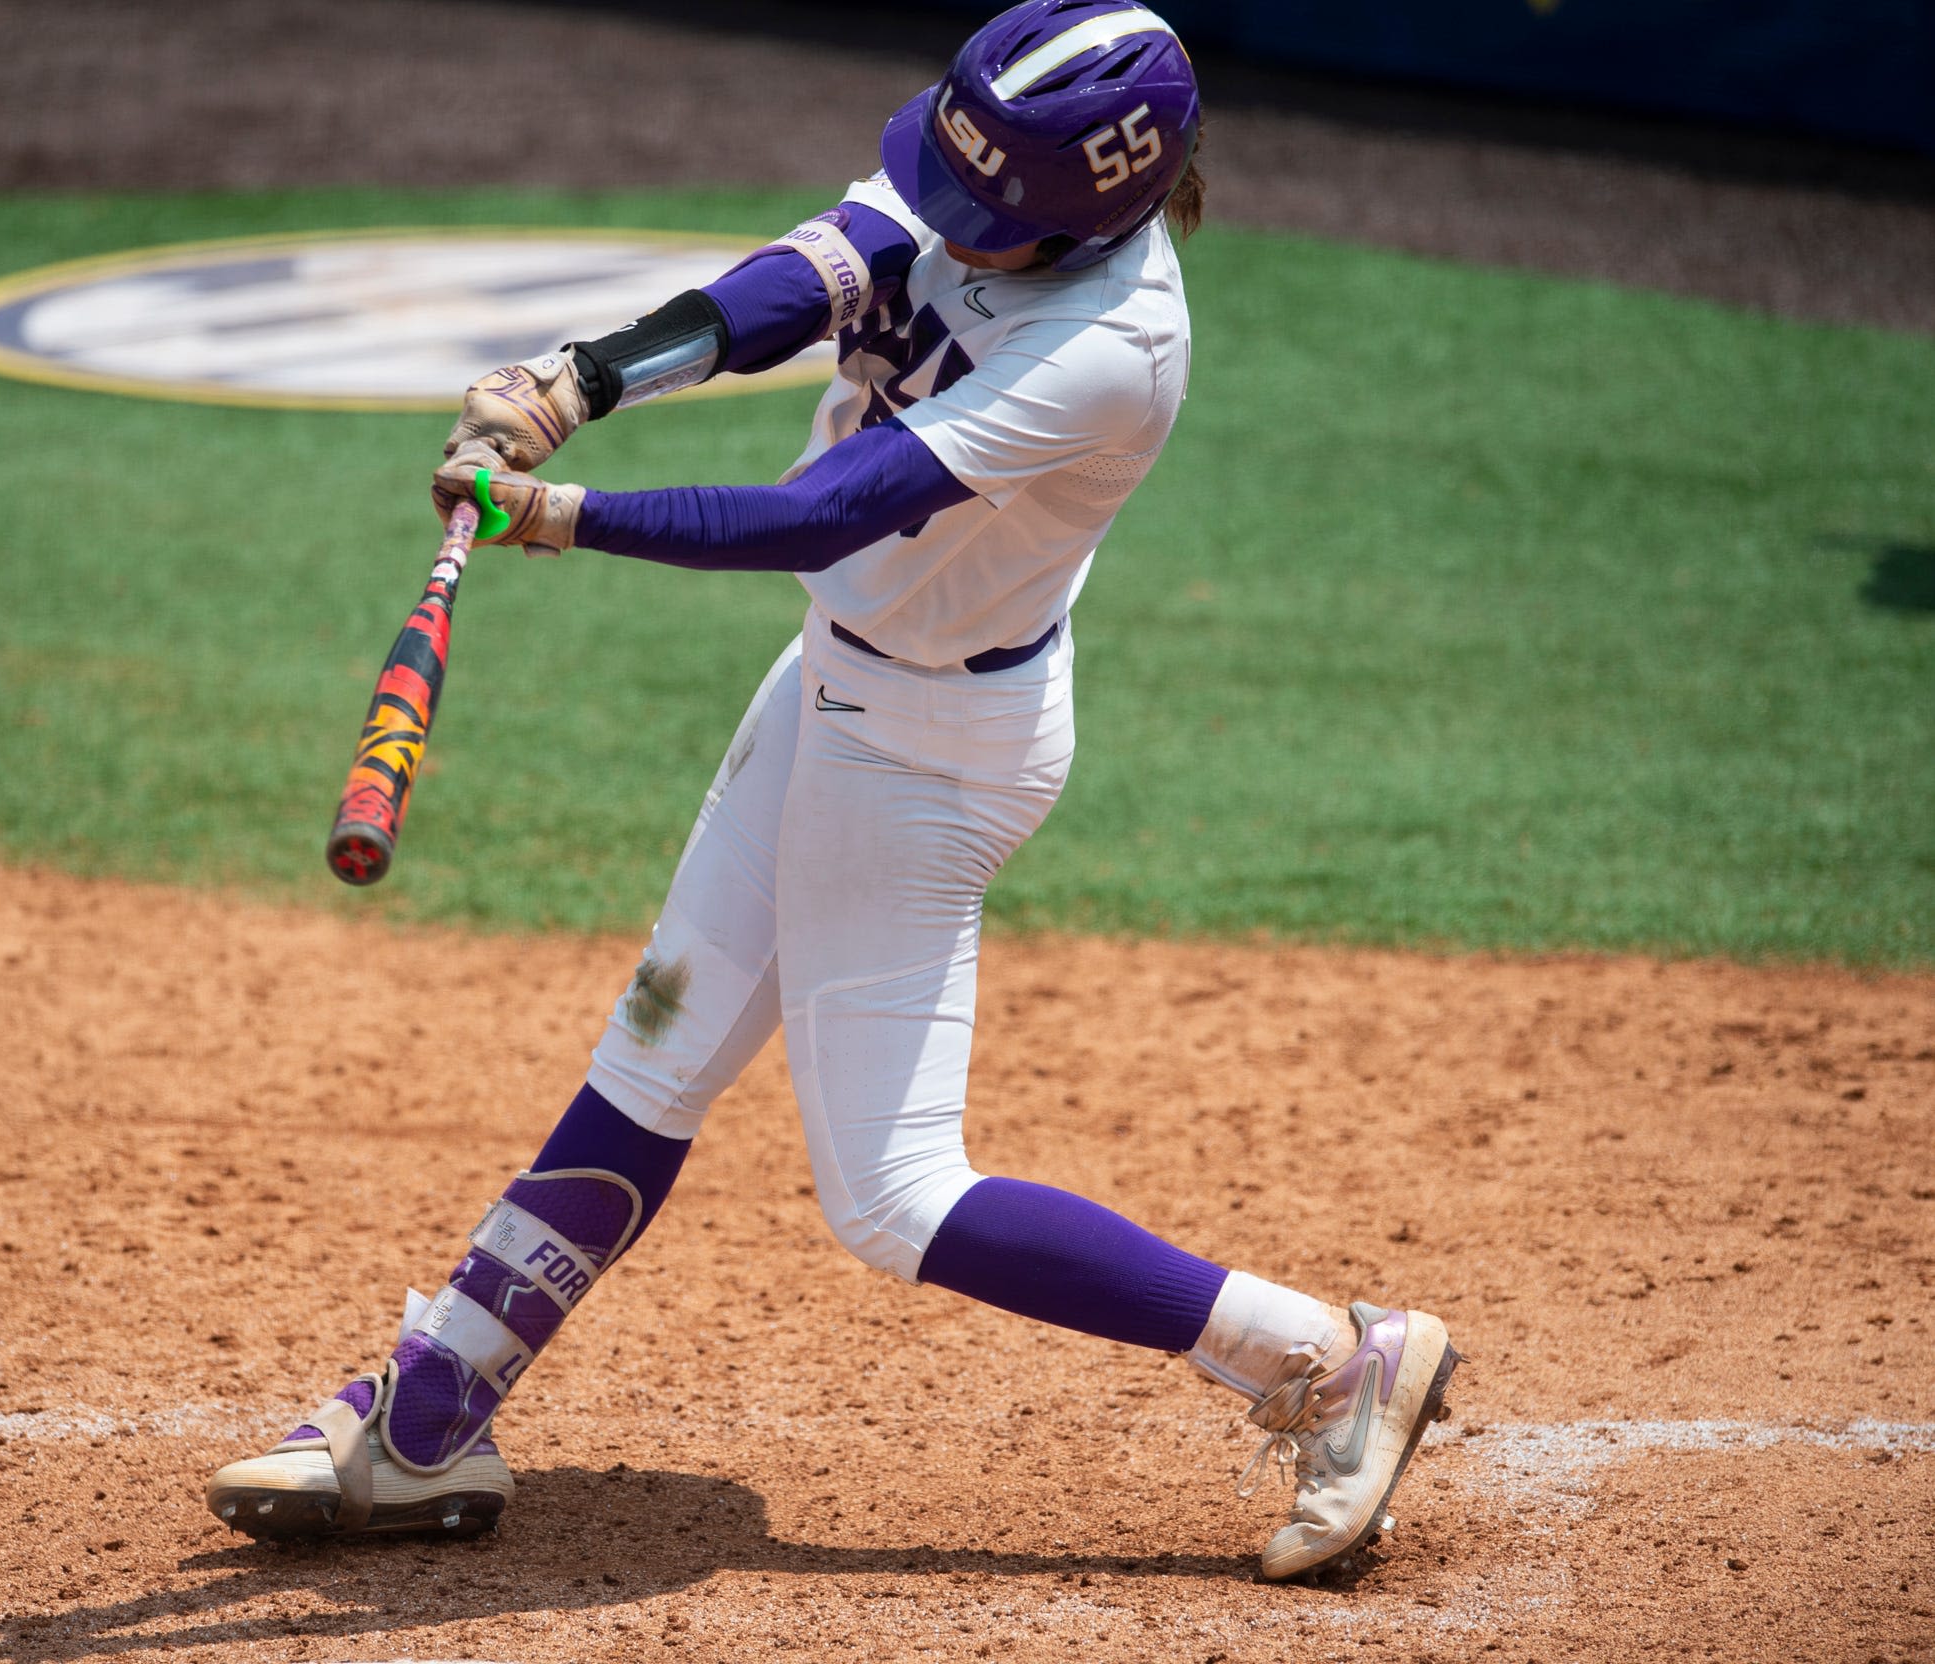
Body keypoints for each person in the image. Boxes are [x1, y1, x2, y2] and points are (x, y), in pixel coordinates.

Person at [205, 0, 1458, 1583]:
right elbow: (802, 284)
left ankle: (1331, 1366)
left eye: (984, 212)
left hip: (928, 754)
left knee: (893, 1198)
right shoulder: (969, 179)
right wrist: (575, 379)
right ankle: (432, 1410)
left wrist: (560, 515)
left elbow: (820, 514)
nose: (942, 215)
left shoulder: (1108, 355)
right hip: (838, 684)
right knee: (655, 1051)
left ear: (1093, 211)